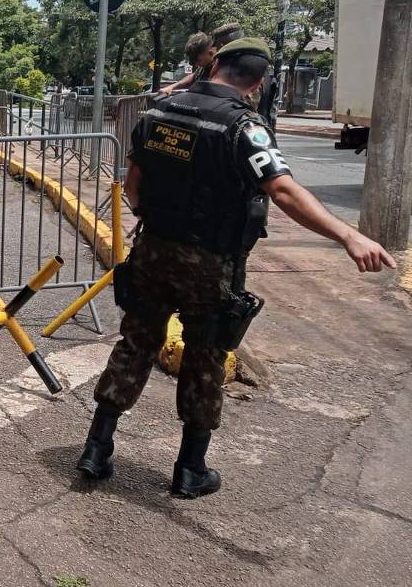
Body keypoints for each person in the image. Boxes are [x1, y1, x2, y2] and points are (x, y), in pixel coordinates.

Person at [77, 38, 395, 498]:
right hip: (209, 262)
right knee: (205, 355)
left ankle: (96, 449)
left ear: (215, 65)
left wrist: (164, 219)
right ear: (258, 82)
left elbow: (133, 187)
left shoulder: (157, 114)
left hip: (153, 248)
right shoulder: (244, 126)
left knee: (135, 342)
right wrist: (349, 234)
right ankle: (190, 469)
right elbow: (282, 191)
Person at [159, 22, 243, 96]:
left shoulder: (228, 66)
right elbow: (194, 76)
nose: (195, 64)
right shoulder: (205, 67)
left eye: (197, 59)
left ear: (210, 52)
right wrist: (171, 87)